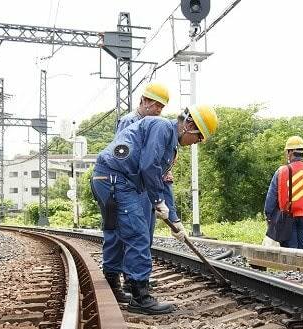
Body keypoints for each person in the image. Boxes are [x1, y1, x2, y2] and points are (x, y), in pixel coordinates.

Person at [92, 105, 218, 314]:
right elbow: (149, 167)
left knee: (119, 233)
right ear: (190, 126)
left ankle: (113, 285)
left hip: (110, 179)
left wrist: (175, 220)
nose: (196, 143)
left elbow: (161, 180)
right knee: (138, 234)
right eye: (199, 138)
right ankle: (140, 297)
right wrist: (158, 201)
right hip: (115, 179)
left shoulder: (170, 145)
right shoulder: (162, 127)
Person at [99, 82, 174, 302]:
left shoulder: (157, 125)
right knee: (125, 232)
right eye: (155, 105)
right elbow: (126, 155)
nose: (159, 110)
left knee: (142, 232)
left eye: (162, 107)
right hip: (127, 182)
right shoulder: (129, 121)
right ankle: (120, 279)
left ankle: (133, 278)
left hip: (140, 184)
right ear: (143, 101)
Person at [264, 136, 303, 250]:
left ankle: (291, 269)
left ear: (290, 152)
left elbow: (271, 198)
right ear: (302, 152)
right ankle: (302, 268)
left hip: (287, 218)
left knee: (290, 252)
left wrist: (269, 217)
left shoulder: (281, 171)